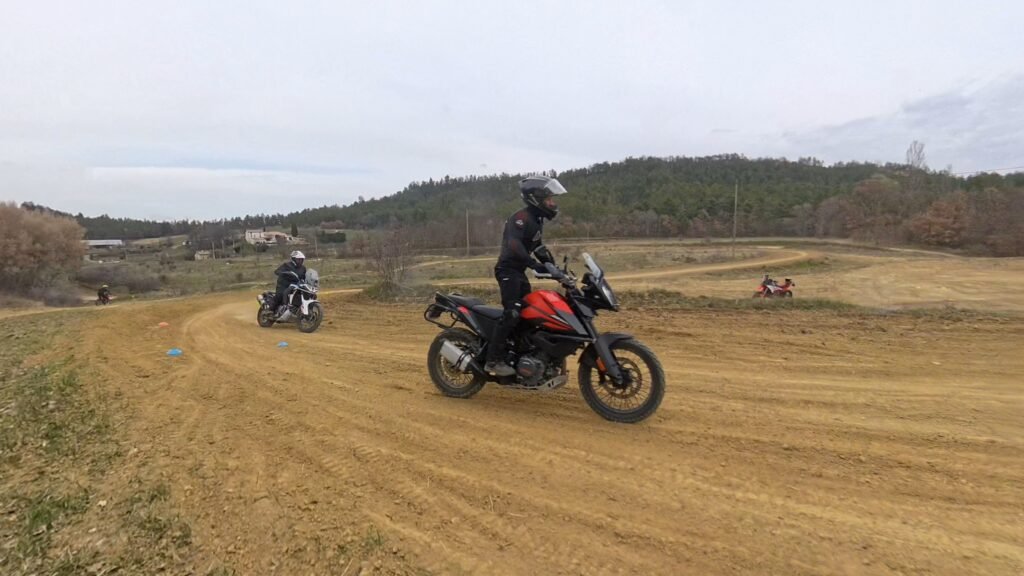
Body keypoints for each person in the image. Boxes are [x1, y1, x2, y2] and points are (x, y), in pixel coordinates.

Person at [484, 175, 568, 376]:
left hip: (519, 272)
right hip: (507, 271)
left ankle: (518, 354)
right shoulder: (520, 218)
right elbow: (514, 244)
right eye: (549, 199)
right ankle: (493, 360)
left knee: (529, 314)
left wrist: (554, 269)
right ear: (536, 199)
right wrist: (533, 264)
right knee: (512, 312)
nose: (552, 203)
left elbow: (538, 247)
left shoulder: (537, 220)